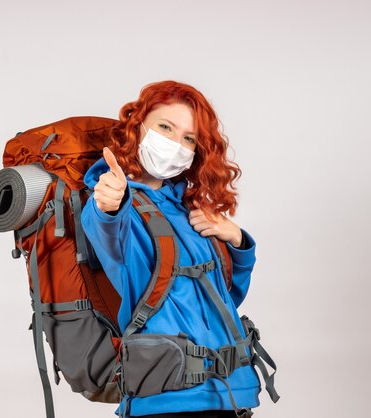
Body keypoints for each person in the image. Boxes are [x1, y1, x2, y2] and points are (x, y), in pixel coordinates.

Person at [80, 80, 260, 418]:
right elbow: (111, 239)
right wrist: (109, 205)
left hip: (232, 393)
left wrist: (236, 241)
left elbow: (227, 298)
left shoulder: (189, 210)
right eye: (165, 127)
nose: (175, 143)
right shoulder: (120, 205)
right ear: (138, 127)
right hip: (169, 397)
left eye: (188, 138)